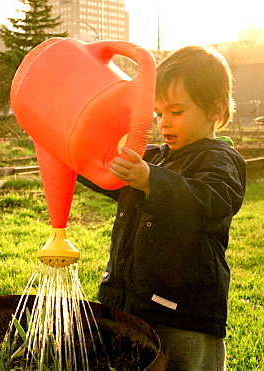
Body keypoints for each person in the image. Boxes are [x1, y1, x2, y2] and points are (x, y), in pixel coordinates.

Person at [79, 45, 247, 370]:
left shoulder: (220, 160)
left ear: (215, 109)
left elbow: (210, 200)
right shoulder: (154, 157)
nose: (163, 122)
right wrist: (78, 159)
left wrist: (150, 181)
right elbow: (115, 182)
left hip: (184, 314)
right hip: (133, 302)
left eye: (176, 111)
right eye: (158, 112)